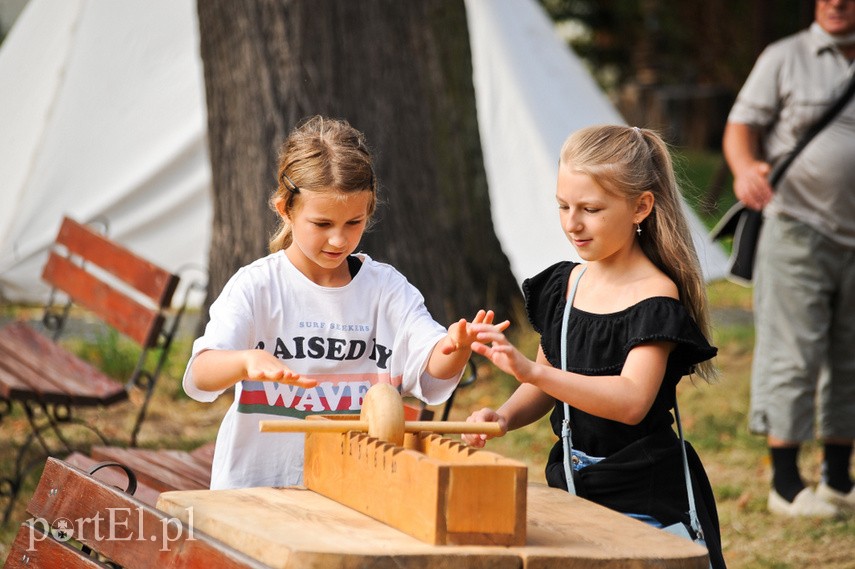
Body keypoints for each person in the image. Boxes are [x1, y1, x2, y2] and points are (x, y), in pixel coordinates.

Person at [183, 115, 506, 490]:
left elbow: (431, 371)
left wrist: (456, 346)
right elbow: (200, 374)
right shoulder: (258, 286)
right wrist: (244, 360)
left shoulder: (386, 289)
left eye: (353, 223)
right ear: (285, 208)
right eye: (322, 224)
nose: (339, 240)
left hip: (356, 490)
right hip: (258, 488)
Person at [463, 125, 726, 568]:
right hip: (574, 487)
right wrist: (503, 416)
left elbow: (631, 401)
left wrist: (533, 371)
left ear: (641, 207)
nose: (572, 223)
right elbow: (547, 387)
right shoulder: (566, 285)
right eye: (563, 206)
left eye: (591, 209)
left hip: (643, 496)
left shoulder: (654, 297)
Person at [722, 0, 855, 518]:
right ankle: (785, 485)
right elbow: (740, 127)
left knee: (849, 356)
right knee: (794, 353)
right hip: (797, 227)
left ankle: (838, 480)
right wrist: (742, 168)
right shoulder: (786, 55)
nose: (837, 2)